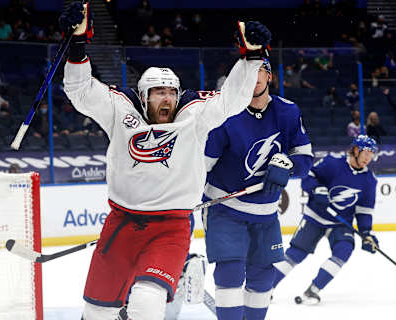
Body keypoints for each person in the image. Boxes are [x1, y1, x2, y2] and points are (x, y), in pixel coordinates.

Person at [59, 2, 271, 319]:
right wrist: (77, 44)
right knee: (95, 313)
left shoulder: (194, 114)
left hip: (170, 229)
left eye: (171, 92)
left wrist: (251, 58)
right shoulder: (120, 109)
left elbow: (232, 100)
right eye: (158, 92)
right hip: (121, 224)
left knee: (147, 302)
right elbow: (80, 90)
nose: (167, 98)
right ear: (143, 97)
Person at [203, 58, 313, 320]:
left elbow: (305, 160)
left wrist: (287, 164)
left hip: (266, 214)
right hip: (225, 208)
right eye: (247, 72)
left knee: (263, 277)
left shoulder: (288, 111)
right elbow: (202, 166)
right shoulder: (225, 114)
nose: (253, 77)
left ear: (270, 76)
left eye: (259, 71)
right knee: (230, 271)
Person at [272, 135, 379, 304]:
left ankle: (313, 290)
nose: (368, 158)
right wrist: (317, 189)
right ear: (356, 150)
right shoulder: (332, 163)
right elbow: (308, 177)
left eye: (372, 154)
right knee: (296, 253)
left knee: (344, 250)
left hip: (340, 223)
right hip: (316, 217)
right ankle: (266, 288)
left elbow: (364, 210)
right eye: (366, 153)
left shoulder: (369, 180)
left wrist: (367, 233)